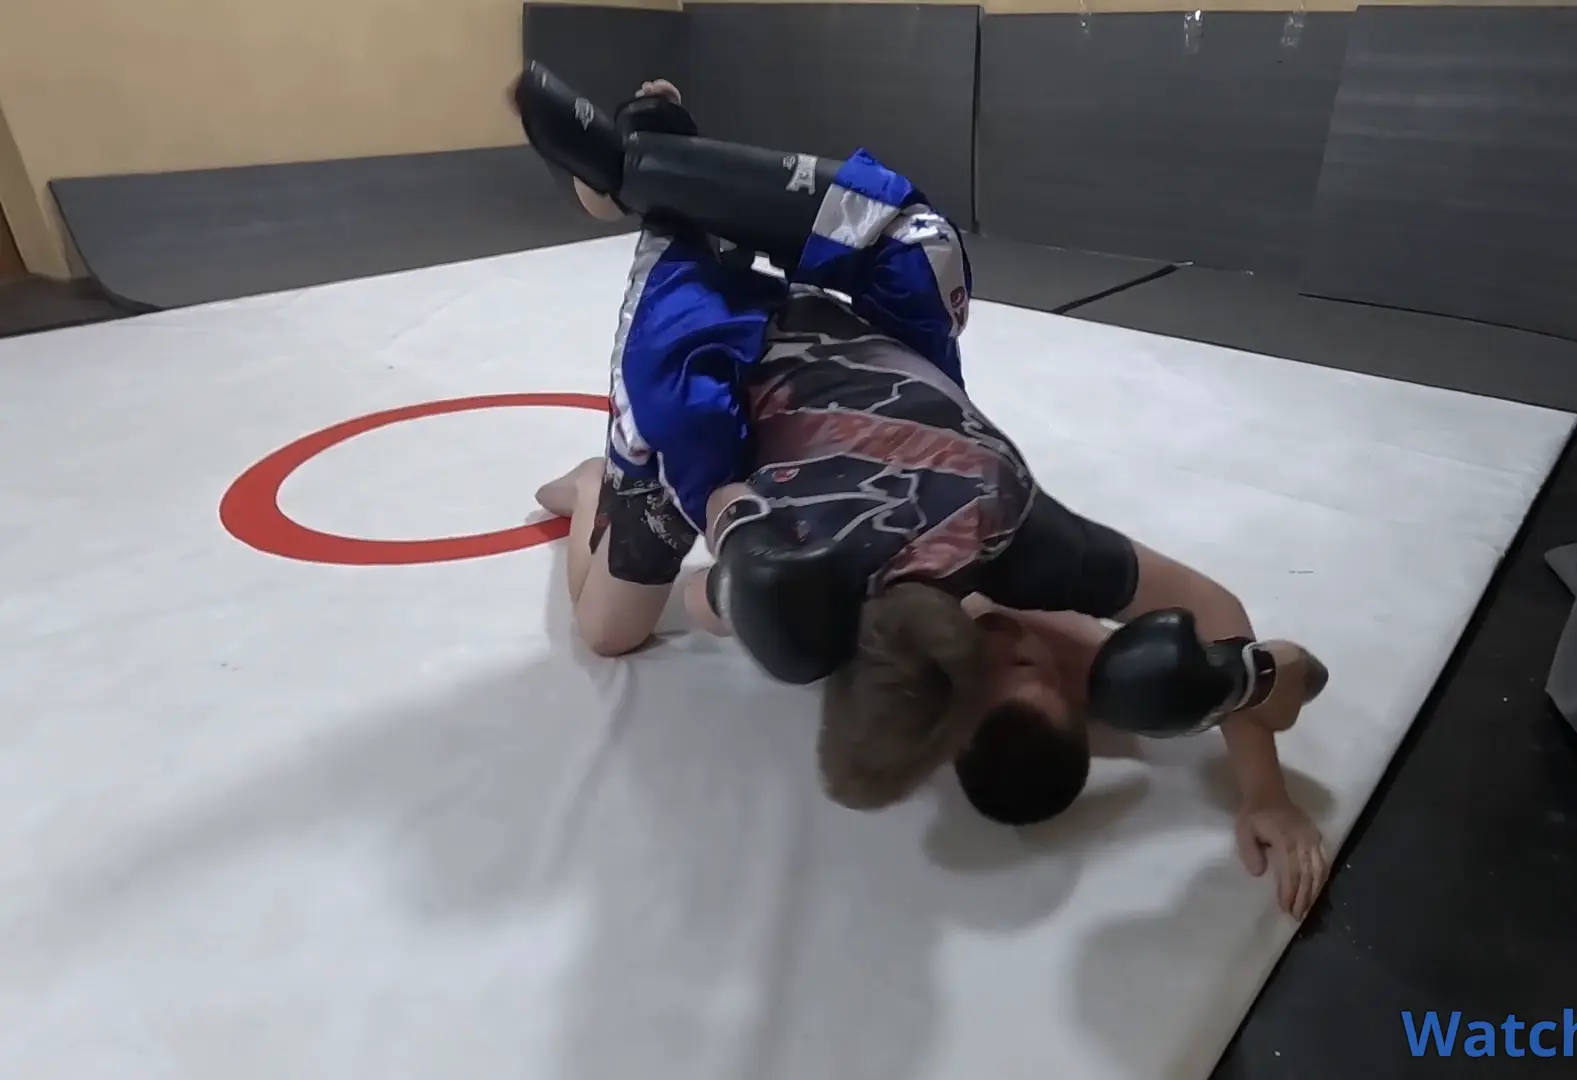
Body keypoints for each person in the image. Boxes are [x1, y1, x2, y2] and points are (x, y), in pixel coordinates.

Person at [512, 65, 1332, 916]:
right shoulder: (1029, 544)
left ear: (949, 716)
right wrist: (1258, 756)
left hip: (717, 369)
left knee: (611, 626)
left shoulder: (842, 621)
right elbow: (1226, 619)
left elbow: (708, 583)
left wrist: (727, 571)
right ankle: (649, 170)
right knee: (928, 251)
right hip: (866, 319)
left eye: (991, 673)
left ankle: (655, 205)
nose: (1011, 648)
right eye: (1036, 662)